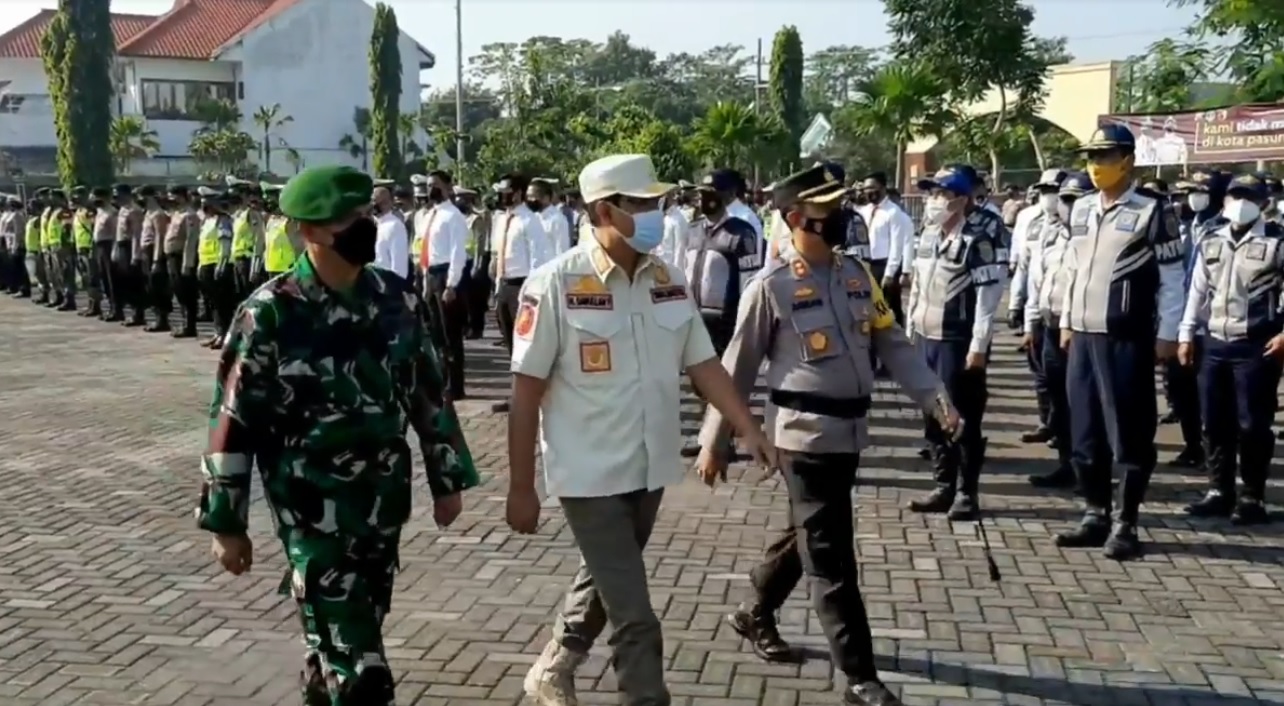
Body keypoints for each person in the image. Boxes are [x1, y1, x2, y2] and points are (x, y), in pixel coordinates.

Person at [197, 165, 479, 706]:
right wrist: (226, 522)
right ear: (306, 229)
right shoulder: (270, 313)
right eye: (345, 220)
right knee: (360, 665)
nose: (362, 227)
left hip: (382, 503)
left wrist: (447, 480)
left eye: (365, 215)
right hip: (310, 509)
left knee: (338, 640)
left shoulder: (396, 299)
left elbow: (428, 392)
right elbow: (232, 422)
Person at [507, 153, 773, 706]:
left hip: (649, 466)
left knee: (605, 580)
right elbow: (525, 391)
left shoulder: (667, 279)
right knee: (636, 616)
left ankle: (553, 667)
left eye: (659, 202)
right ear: (605, 209)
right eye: (645, 204)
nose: (658, 212)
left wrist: (745, 428)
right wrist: (521, 485)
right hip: (587, 474)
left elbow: (704, 365)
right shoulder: (553, 283)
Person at [697, 162, 960, 706]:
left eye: (840, 208)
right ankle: (859, 675)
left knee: (807, 534)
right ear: (796, 218)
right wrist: (715, 441)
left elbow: (893, 346)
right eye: (827, 211)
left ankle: (754, 611)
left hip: (850, 433)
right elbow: (735, 369)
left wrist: (935, 397)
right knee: (832, 556)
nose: (840, 217)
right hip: (803, 437)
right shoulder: (770, 288)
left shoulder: (857, 275)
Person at [1056, 124, 1185, 560]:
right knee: (1085, 431)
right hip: (1084, 334)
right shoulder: (1081, 209)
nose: (1095, 166)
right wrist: (1067, 320)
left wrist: (1168, 333)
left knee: (1128, 432)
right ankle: (1094, 513)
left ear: (1127, 160)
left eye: (1105, 157)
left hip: (1126, 337)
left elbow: (1172, 279)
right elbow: (1072, 270)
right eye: (1091, 157)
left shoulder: (1153, 210)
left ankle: (1126, 522)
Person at [1178, 173, 1283, 524]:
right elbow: (1196, 291)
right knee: (1214, 422)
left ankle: (1252, 497)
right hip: (1214, 343)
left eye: (1249, 196)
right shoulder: (1210, 239)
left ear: (1264, 202)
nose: (1240, 203)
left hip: (1257, 345)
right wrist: (1185, 334)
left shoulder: (1277, 242)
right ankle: (1218, 491)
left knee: (1253, 424)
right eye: (1235, 195)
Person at [904, 165, 1008, 520]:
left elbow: (987, 297)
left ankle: (966, 492)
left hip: (957, 340)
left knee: (962, 415)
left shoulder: (977, 239)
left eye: (942, 194)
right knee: (932, 412)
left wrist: (979, 344)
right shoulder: (929, 234)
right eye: (931, 193)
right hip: (925, 336)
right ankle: (943, 485)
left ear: (961, 200)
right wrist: (909, 329)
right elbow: (917, 285)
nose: (934, 201)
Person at [1020, 171, 1088, 489]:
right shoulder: (1050, 232)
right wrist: (1030, 321)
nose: (1067, 205)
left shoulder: (1093, 234)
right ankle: (1065, 463)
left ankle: (1089, 468)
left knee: (1085, 401)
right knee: (1058, 398)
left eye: (1075, 199)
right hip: (1049, 325)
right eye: (1065, 199)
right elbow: (1039, 280)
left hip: (1080, 329)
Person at [1164, 169, 1225, 467]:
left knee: (1213, 396)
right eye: (1190, 192)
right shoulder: (1184, 226)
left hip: (1216, 327)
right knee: (1182, 389)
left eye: (1199, 191)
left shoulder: (1228, 228)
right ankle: (1193, 446)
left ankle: (1218, 451)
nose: (1193, 198)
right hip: (1182, 323)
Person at [1008, 171, 1066, 446]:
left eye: (1054, 190)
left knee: (1067, 385)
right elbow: (1027, 269)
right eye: (1044, 190)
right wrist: (1016, 306)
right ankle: (1049, 424)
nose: (1049, 196)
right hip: (1040, 311)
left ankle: (1066, 434)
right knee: (1043, 377)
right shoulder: (1030, 221)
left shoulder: (1078, 224)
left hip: (1066, 320)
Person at [490, 173, 548, 413]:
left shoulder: (529, 221)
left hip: (521, 287)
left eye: (504, 191)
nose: (500, 195)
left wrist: (530, 295)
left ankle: (532, 395)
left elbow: (538, 260)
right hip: (504, 285)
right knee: (511, 345)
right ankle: (517, 394)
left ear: (516, 193)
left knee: (527, 344)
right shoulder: (503, 220)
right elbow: (498, 256)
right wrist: (496, 288)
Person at [419, 170, 469, 399]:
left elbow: (458, 252)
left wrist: (451, 284)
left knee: (451, 335)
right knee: (436, 333)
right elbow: (426, 249)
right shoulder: (431, 215)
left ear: (448, 187)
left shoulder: (453, 216)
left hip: (446, 275)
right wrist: (424, 278)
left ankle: (455, 385)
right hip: (431, 274)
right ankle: (442, 379)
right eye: (429, 185)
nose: (431, 189)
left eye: (436, 185)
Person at [857, 172, 915, 325]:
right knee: (872, 306)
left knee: (890, 306)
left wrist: (890, 273)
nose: (868, 192)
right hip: (868, 263)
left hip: (885, 265)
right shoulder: (865, 211)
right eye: (865, 189)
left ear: (883, 188)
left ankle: (898, 338)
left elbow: (897, 245)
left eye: (872, 188)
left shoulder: (893, 212)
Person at [195, 188, 236, 349]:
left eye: (207, 202)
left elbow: (225, 244)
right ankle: (217, 332)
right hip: (206, 265)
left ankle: (225, 335)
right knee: (213, 303)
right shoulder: (207, 221)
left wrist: (222, 263)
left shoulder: (223, 220)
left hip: (218, 266)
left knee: (222, 304)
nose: (204, 205)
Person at [455, 185, 491, 338]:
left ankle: (476, 327)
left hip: (472, 262)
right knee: (461, 297)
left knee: (473, 298)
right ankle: (464, 325)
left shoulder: (476, 219)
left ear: (468, 201)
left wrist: (477, 264)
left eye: (461, 200)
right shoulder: (457, 218)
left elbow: (479, 243)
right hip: (460, 261)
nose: (458, 202)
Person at [138, 186, 172, 332]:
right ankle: (157, 317)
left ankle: (162, 319)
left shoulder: (158, 214)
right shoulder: (148, 213)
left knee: (158, 286)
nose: (140, 200)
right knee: (150, 287)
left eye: (142, 197)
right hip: (146, 251)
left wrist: (157, 259)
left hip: (154, 251)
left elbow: (160, 236)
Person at [112, 184, 145, 325]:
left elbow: (137, 234)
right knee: (124, 280)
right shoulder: (122, 210)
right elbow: (118, 232)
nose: (116, 198)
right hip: (122, 246)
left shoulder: (134, 210)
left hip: (131, 246)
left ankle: (138, 314)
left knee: (134, 282)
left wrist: (136, 255)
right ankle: (131, 311)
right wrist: (115, 249)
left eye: (118, 195)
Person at [372, 186, 409, 280]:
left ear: (389, 203)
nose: (375, 205)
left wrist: (396, 287)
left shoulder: (395, 226)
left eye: (382, 202)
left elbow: (399, 265)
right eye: (373, 201)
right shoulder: (373, 224)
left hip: (387, 283)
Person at [657, 187, 691, 271]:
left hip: (670, 272)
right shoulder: (662, 218)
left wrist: (677, 276)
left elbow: (680, 250)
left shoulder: (678, 220)